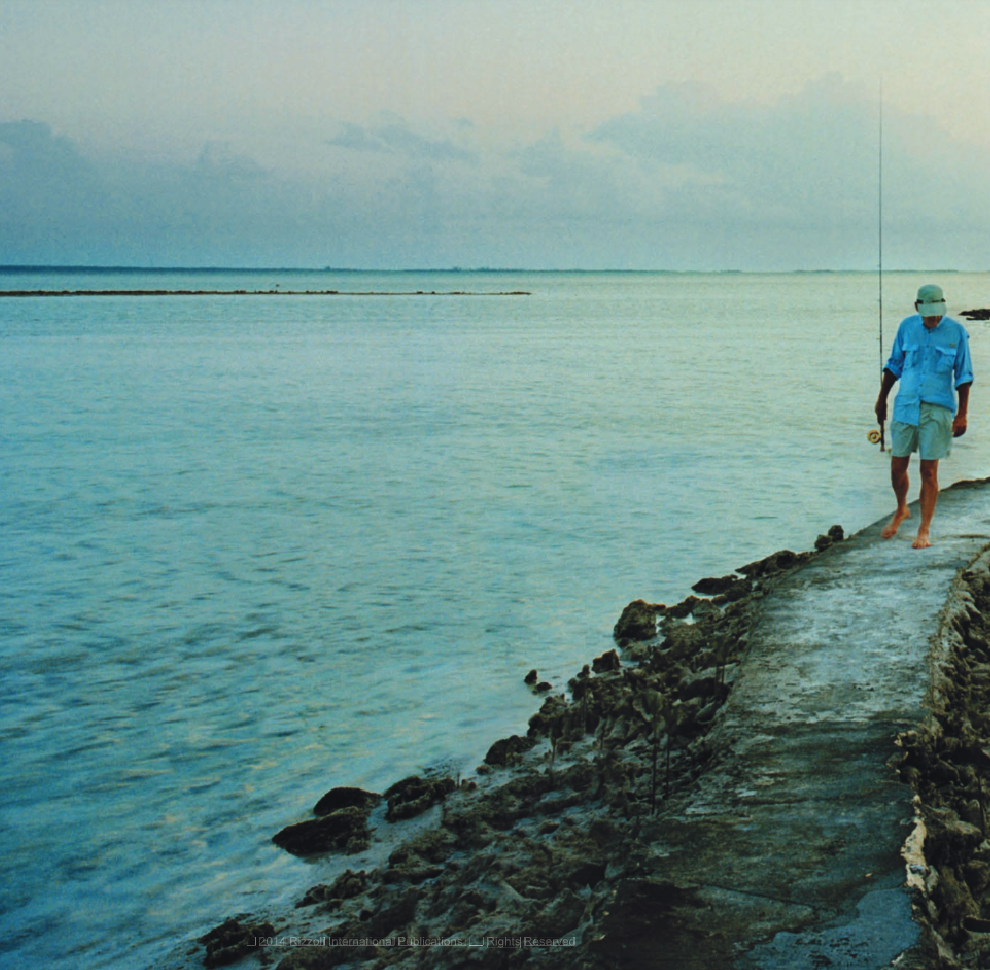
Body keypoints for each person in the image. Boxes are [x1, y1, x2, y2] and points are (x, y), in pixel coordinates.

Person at [874, 283, 973, 548]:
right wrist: (882, 399)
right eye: (929, 313)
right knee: (897, 467)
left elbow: (964, 375)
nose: (935, 317)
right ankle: (901, 509)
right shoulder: (906, 327)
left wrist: (962, 414)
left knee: (928, 471)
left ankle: (924, 529)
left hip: (937, 409)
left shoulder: (956, 331)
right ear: (917, 307)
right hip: (905, 405)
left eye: (938, 311)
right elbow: (894, 365)